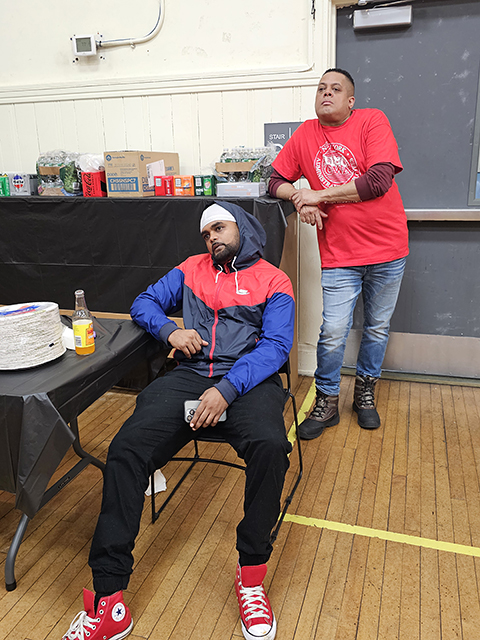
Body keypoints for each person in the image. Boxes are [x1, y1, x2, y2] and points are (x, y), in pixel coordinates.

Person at [62, 202, 295, 640]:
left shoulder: (274, 280)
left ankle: (250, 577)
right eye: (206, 234)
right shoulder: (191, 269)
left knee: (270, 446)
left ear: (242, 228)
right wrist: (170, 331)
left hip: (248, 380)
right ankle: (109, 598)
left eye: (219, 228)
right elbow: (143, 302)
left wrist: (227, 389)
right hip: (190, 375)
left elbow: (277, 346)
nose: (212, 239)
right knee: (125, 450)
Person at [269, 67, 408, 439]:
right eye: (321, 88)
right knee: (332, 331)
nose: (326, 93)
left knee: (376, 328)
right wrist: (299, 198)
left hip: (387, 250)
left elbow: (378, 180)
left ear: (351, 100)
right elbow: (274, 180)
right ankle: (327, 400)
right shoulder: (305, 134)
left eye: (335, 89)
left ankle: (364, 392)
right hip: (339, 255)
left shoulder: (371, 121)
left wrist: (318, 194)